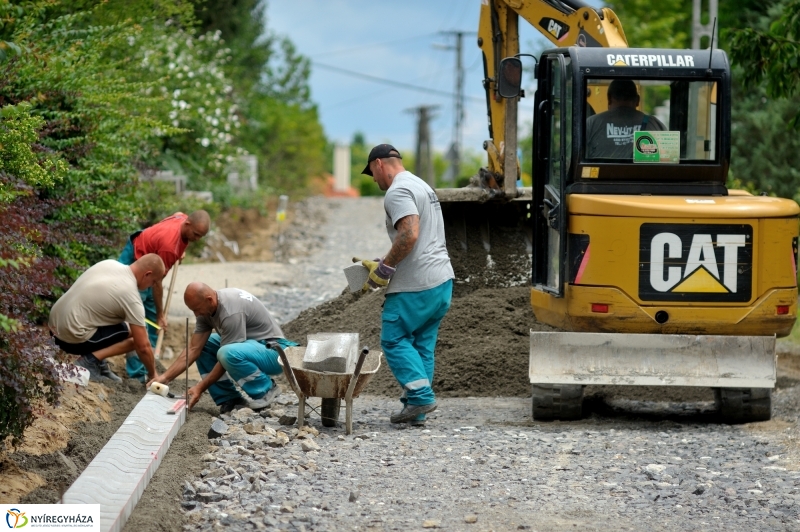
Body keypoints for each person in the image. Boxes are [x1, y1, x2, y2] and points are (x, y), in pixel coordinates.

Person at [359, 144, 454, 425]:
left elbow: (409, 234)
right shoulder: (421, 185)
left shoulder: (397, 191)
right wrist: (385, 259)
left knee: (394, 338)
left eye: (372, 173)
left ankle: (421, 397)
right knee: (422, 345)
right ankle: (417, 409)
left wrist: (385, 268)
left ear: (379, 164)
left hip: (416, 284)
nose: (374, 180)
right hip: (441, 281)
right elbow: (419, 237)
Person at [149, 283, 297, 414]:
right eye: (193, 310)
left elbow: (225, 358)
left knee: (227, 353)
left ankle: (265, 390)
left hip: (276, 353)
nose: (196, 314)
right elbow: (194, 348)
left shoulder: (231, 312)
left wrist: (199, 388)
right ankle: (229, 398)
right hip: (253, 347)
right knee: (206, 345)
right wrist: (164, 378)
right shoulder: (207, 310)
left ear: (209, 300)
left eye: (197, 309)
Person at [118, 210, 210, 381]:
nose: (197, 239)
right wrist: (161, 315)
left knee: (152, 319)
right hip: (135, 257)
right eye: (196, 234)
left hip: (149, 260)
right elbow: (157, 283)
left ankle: (150, 362)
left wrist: (181, 250)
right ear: (188, 224)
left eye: (200, 236)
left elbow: (178, 214)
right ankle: (137, 375)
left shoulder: (182, 219)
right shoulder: (169, 248)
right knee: (138, 319)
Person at [48, 254, 166, 382]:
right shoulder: (131, 296)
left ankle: (100, 363)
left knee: (121, 323)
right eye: (154, 282)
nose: (152, 286)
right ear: (147, 274)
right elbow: (143, 347)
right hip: (69, 340)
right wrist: (153, 375)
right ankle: (89, 361)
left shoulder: (110, 264)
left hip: (53, 330)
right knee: (136, 340)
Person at [585, 79, 666, 159]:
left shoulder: (591, 124)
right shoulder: (654, 124)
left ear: (609, 99)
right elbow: (666, 157)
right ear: (637, 100)